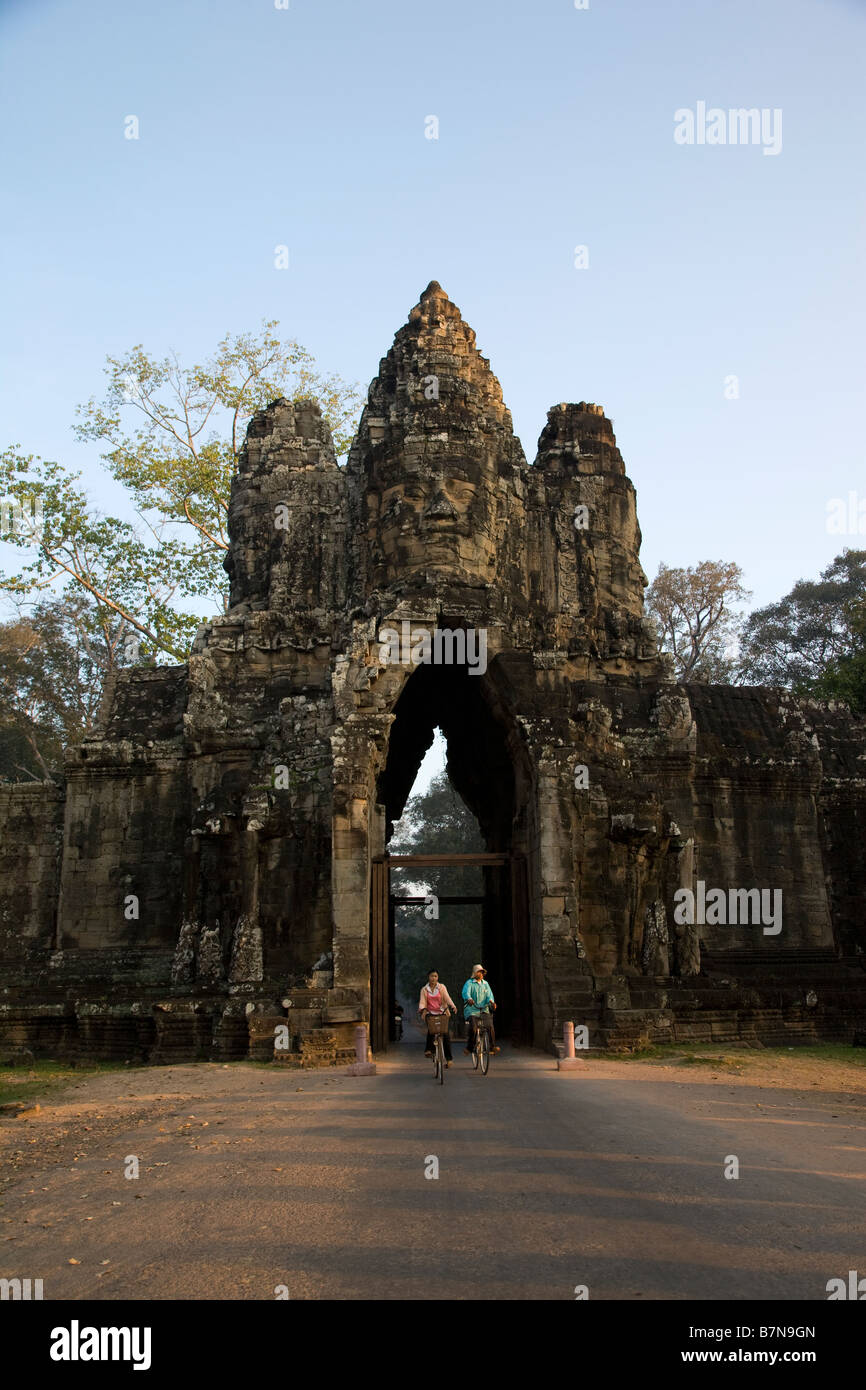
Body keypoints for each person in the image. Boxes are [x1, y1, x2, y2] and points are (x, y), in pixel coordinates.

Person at [418, 971, 456, 1066]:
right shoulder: (424, 990)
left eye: (435, 976)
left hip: (442, 1012)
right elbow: (422, 1001)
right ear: (428, 977)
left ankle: (449, 1059)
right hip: (430, 1013)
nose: (433, 978)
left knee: (446, 1034)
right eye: (432, 976)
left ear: (437, 977)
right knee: (431, 1031)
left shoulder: (442, 987)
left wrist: (453, 1006)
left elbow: (447, 998)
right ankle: (429, 1050)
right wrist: (422, 1009)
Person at [462, 963, 499, 1055]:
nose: (481, 974)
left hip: (484, 1009)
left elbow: (489, 995)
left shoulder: (485, 984)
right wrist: (469, 999)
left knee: (490, 1026)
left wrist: (492, 1002)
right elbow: (466, 993)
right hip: (472, 1010)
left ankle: (492, 1046)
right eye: (479, 972)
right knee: (474, 1028)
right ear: (475, 973)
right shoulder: (469, 983)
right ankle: (470, 1048)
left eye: (482, 972)